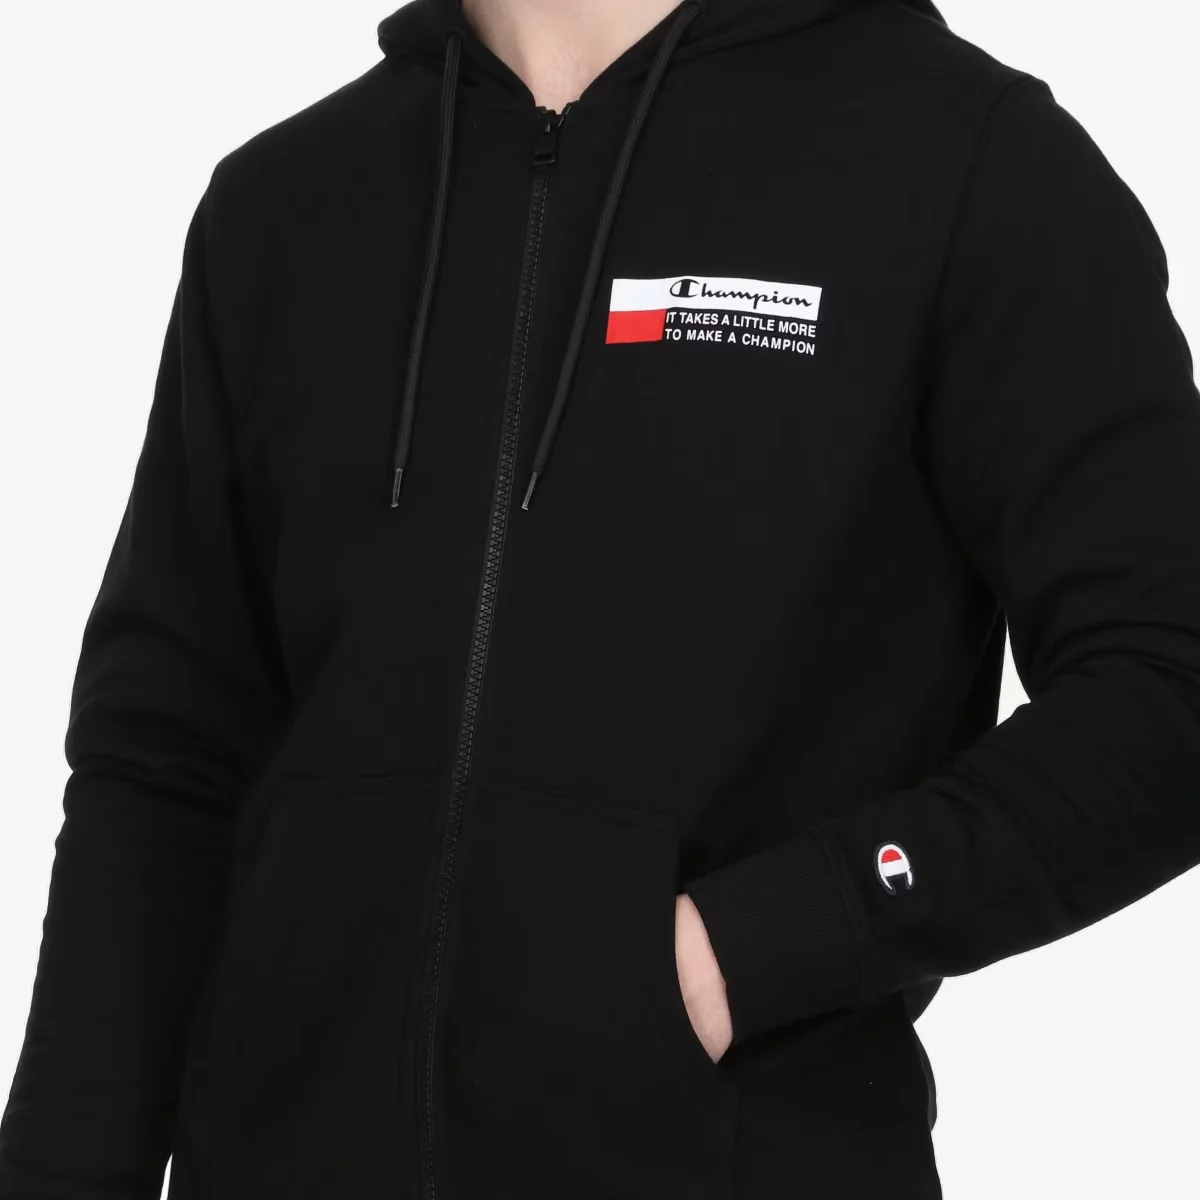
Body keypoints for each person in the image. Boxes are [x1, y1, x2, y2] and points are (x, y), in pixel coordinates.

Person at [1, 0, 1198, 1196]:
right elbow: (162, 763)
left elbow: (1169, 677)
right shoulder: (287, 202)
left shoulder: (966, 163)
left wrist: (763, 940)